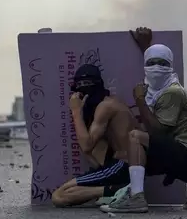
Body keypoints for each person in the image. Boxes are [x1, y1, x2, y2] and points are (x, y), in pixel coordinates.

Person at [100, 27, 187, 213]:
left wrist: (139, 101)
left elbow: (158, 132)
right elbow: (153, 72)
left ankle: (136, 197)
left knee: (136, 138)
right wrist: (146, 46)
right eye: (151, 62)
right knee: (130, 154)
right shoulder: (158, 88)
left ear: (170, 66)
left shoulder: (172, 92)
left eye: (161, 63)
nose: (156, 67)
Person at [51, 64, 139, 207]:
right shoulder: (109, 103)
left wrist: (76, 112)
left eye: (88, 84)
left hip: (123, 165)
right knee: (68, 192)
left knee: (58, 196)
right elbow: (93, 152)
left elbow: (86, 146)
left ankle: (116, 190)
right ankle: (113, 189)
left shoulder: (106, 107)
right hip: (122, 166)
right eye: (81, 85)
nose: (85, 89)